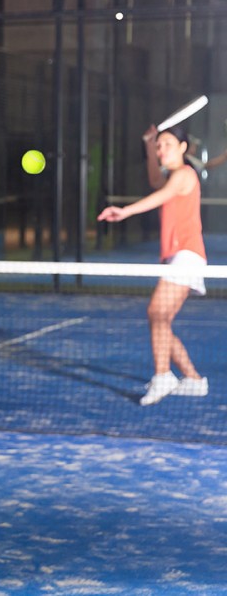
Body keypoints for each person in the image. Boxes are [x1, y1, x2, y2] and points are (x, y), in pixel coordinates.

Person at [98, 124, 208, 406]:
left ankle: (163, 376)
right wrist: (149, 144)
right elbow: (154, 180)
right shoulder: (172, 176)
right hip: (178, 256)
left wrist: (126, 211)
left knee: (155, 313)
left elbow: (161, 195)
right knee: (161, 319)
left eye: (167, 144)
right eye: (160, 146)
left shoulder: (185, 175)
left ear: (183, 148)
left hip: (187, 254)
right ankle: (194, 380)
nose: (162, 150)